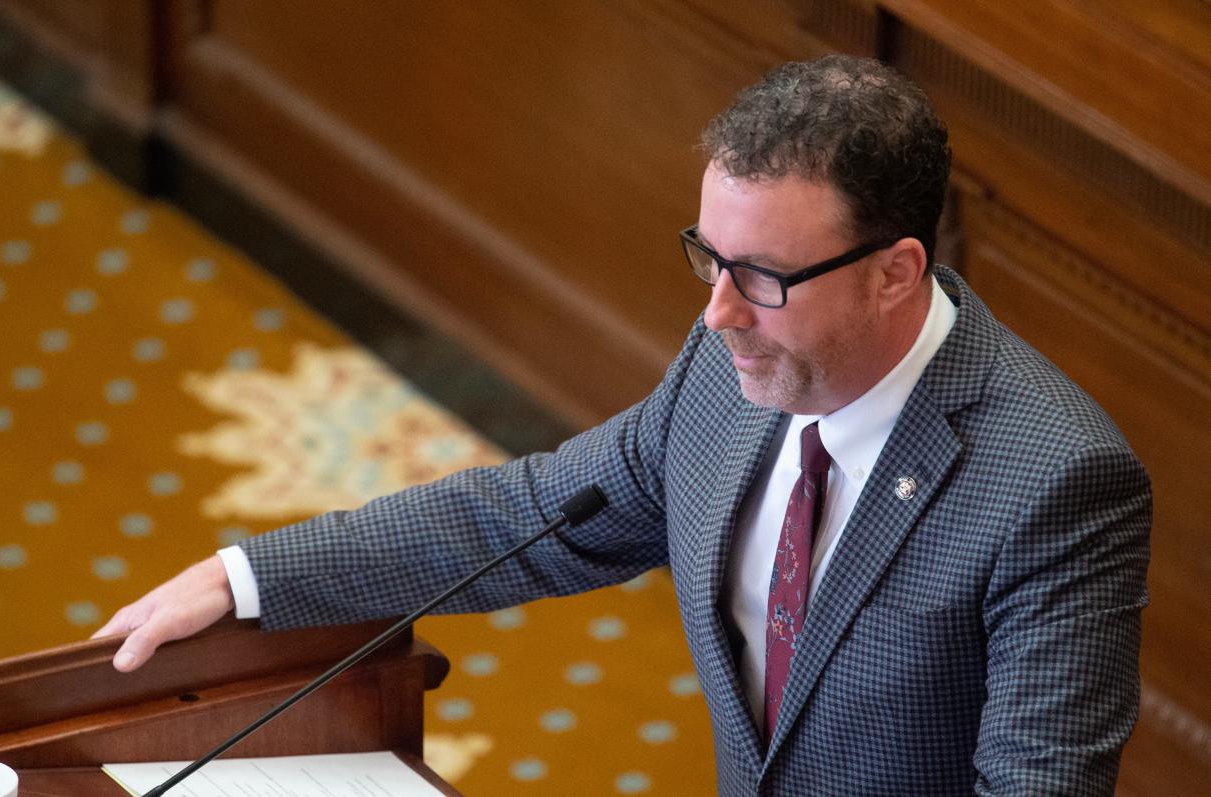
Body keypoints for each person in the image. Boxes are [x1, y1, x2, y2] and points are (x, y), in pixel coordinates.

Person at [95, 54, 1151, 796]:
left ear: (895, 273)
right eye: (708, 257)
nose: (718, 312)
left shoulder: (1054, 485)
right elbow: (535, 513)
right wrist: (245, 578)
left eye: (763, 278)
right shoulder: (726, 370)